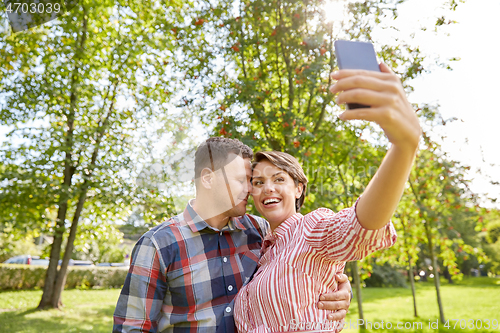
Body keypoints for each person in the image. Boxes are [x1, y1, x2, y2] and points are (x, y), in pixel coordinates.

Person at [234, 63, 421, 333]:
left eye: (278, 179)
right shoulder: (259, 250)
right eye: (258, 182)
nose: (267, 188)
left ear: (298, 189)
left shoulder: (312, 229)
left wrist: (404, 147)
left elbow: (361, 225)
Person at [113, 137, 352, 333]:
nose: (251, 189)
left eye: (251, 181)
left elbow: (302, 262)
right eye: (242, 180)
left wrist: (339, 286)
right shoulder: (159, 244)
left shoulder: (259, 231)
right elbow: (132, 328)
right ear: (208, 178)